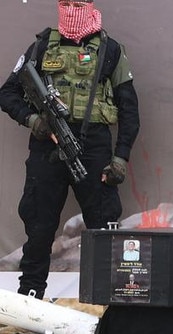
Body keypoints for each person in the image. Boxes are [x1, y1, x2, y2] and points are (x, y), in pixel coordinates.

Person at [0, 0, 140, 300]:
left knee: (103, 230)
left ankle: (109, 302)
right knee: (39, 227)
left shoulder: (110, 50)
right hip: (46, 146)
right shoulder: (41, 47)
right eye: (66, 3)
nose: (72, 9)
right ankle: (30, 297)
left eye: (79, 3)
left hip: (92, 147)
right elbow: (8, 93)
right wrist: (33, 120)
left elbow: (130, 110)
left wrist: (120, 158)